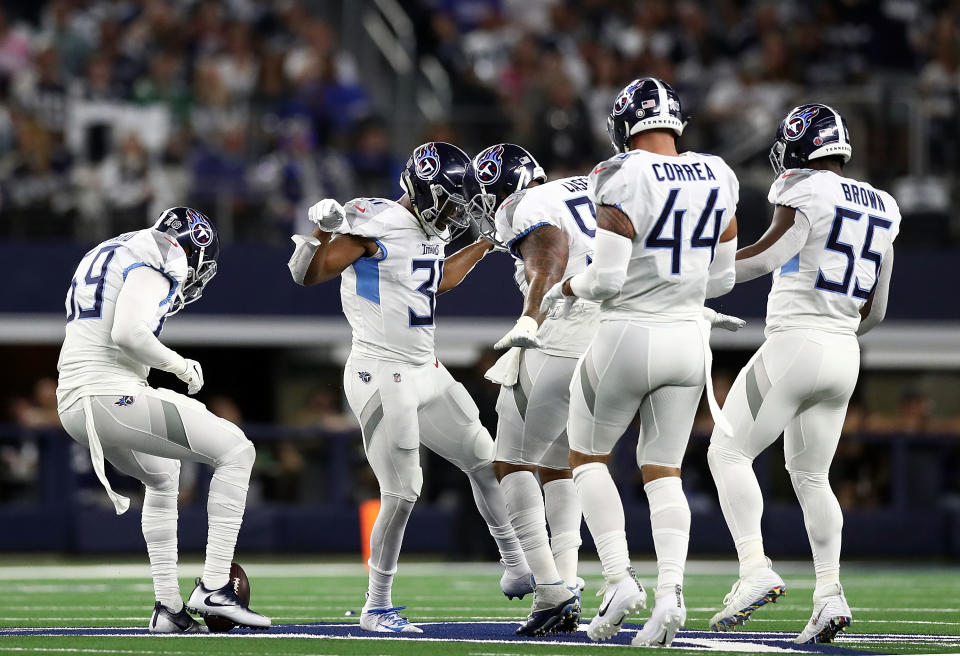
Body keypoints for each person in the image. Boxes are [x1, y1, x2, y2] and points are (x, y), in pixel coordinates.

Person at [287, 142, 530, 634]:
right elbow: (305, 274)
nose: (457, 208)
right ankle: (376, 605)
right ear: (423, 187)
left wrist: (483, 244)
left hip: (426, 368)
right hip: (380, 370)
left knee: (486, 460)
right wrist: (320, 231)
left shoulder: (430, 228)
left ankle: (516, 565)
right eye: (450, 196)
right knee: (402, 492)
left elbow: (433, 282)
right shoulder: (372, 220)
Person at [541, 77, 742, 646]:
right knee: (665, 472)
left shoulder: (619, 173)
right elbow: (722, 277)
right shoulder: (720, 173)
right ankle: (671, 593)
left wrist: (565, 289)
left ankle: (618, 579)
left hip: (627, 334)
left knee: (586, 460)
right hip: (687, 341)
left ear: (624, 124)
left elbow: (605, 280)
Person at [706, 103, 900, 644]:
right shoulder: (883, 205)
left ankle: (753, 569)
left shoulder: (804, 190)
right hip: (845, 352)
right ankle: (829, 593)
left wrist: (692, 282)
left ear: (796, 148)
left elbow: (768, 256)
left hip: (797, 341)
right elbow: (877, 308)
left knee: (726, 452)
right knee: (812, 477)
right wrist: (835, 333)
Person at [56, 207, 270, 634]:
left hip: (76, 402)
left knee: (163, 475)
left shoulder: (114, 248)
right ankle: (214, 587)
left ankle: (168, 609)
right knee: (238, 450)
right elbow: (129, 334)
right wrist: (180, 365)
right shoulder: (161, 258)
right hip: (108, 394)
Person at [463, 143, 595, 636]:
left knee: (512, 460)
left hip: (560, 333)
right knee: (561, 462)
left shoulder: (527, 204)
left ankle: (548, 589)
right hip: (610, 339)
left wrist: (529, 317)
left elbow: (549, 257)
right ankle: (567, 577)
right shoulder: (585, 185)